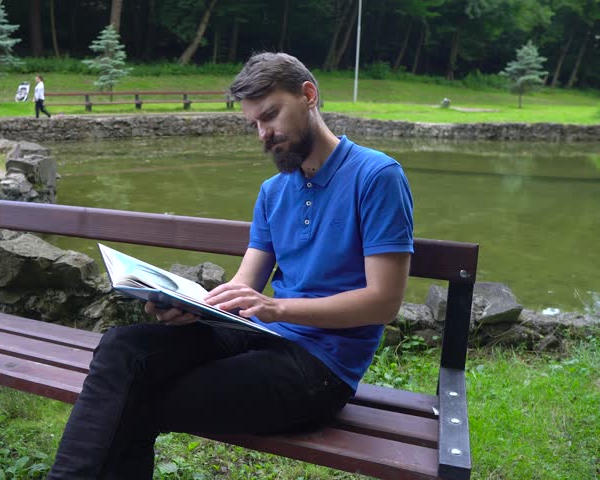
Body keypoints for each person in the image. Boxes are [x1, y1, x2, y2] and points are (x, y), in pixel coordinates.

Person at [46, 52, 414, 480]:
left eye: (271, 116)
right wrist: (191, 307)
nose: (264, 134)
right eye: (254, 124)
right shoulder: (274, 192)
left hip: (320, 368)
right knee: (122, 348)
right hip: (262, 337)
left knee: (135, 396)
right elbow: (245, 285)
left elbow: (383, 303)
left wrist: (276, 309)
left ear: (309, 96)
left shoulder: (377, 176)